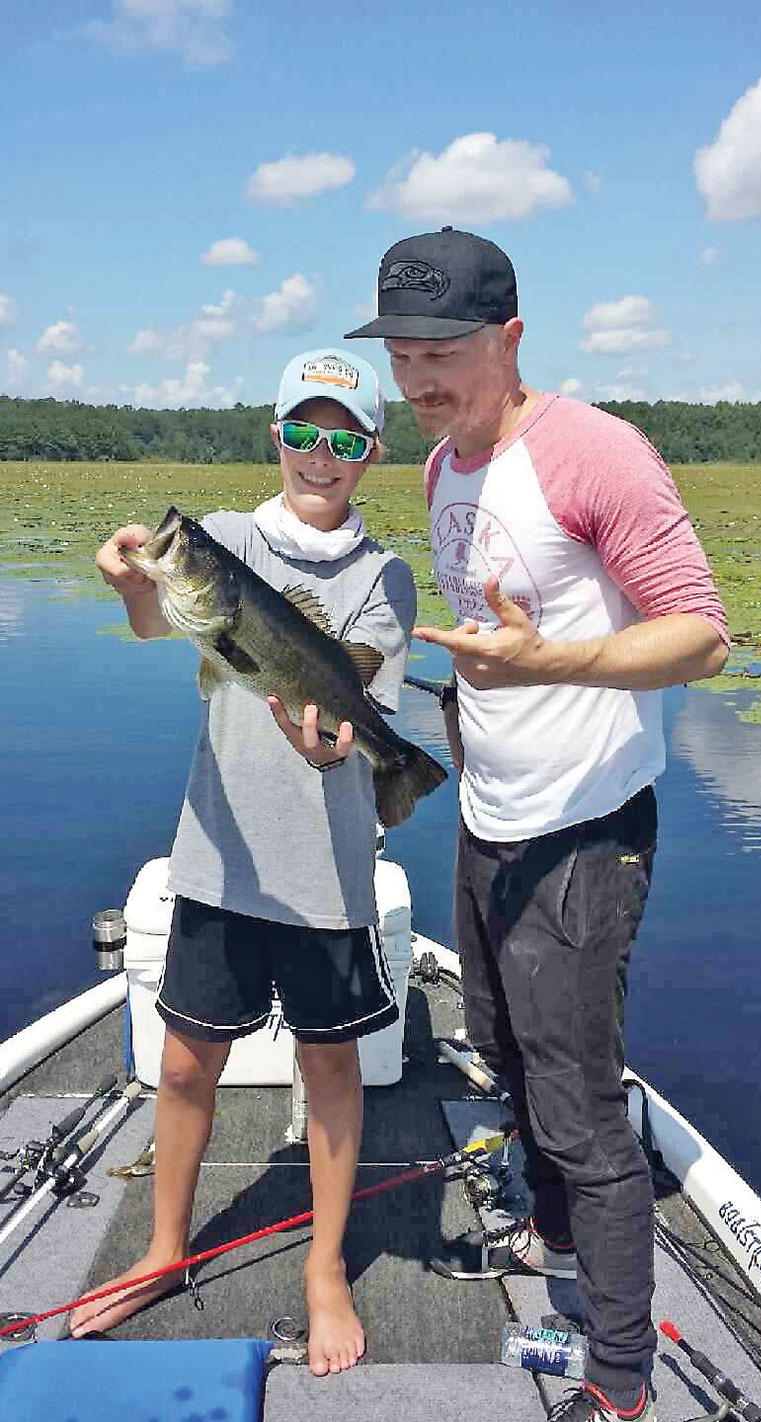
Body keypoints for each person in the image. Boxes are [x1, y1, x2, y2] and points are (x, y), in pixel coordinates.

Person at [346, 230, 729, 1422]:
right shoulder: (439, 467)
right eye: (401, 355)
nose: (417, 382)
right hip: (490, 824)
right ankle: (558, 1278)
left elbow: (701, 634)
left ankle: (618, 1379)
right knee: (508, 1065)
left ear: (509, 338)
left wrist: (554, 661)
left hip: (584, 835)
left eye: (443, 352)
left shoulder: (592, 453)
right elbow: (483, 655)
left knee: (576, 1108)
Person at [69, 348, 417, 1377]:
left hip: (325, 870)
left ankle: (322, 1271)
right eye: (303, 432)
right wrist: (131, 579)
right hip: (218, 866)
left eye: (344, 438)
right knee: (182, 1061)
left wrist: (336, 749)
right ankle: (164, 1250)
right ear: (276, 437)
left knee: (332, 1069)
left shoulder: (380, 577)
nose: (321, 454)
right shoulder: (217, 543)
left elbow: (361, 715)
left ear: (369, 455)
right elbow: (155, 622)